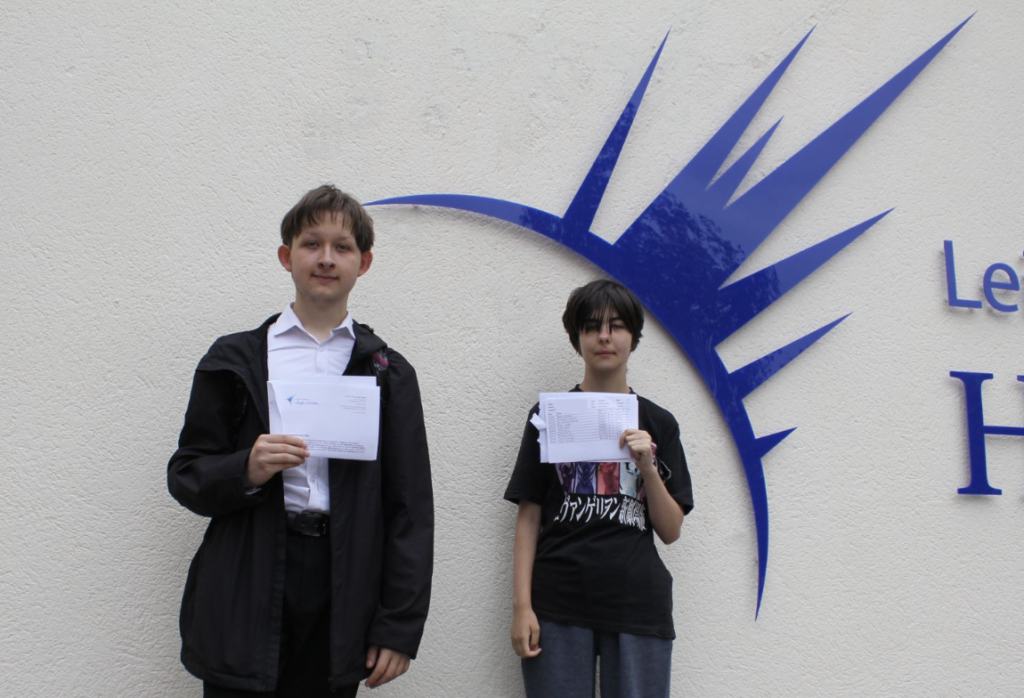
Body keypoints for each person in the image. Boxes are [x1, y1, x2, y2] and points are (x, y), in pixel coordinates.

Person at [168, 185, 434, 697]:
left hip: (342, 585)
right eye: (312, 244)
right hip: (249, 572)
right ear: (287, 257)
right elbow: (186, 474)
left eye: (343, 247)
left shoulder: (388, 371)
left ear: (365, 263)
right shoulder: (236, 358)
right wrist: (246, 467)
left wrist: (399, 627)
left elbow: (410, 509)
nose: (327, 259)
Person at [504, 279, 693, 698]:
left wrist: (647, 466)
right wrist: (522, 607)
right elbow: (529, 515)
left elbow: (671, 529)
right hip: (557, 602)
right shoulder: (548, 415)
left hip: (638, 604)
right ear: (577, 340)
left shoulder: (659, 422)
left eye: (617, 326)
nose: (604, 336)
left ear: (633, 338)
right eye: (591, 327)